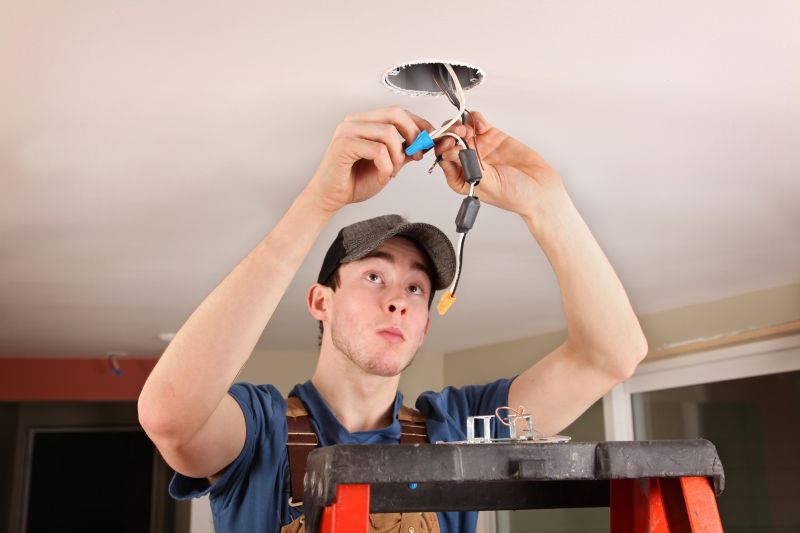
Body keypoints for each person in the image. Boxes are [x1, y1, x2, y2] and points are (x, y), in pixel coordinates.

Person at [138, 106, 648, 532]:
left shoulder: (455, 430)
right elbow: (170, 416)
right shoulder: (262, 430)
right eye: (374, 278)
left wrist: (547, 204)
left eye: (415, 289)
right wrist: (319, 203)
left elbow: (612, 354)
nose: (399, 301)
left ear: (424, 325)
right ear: (321, 302)